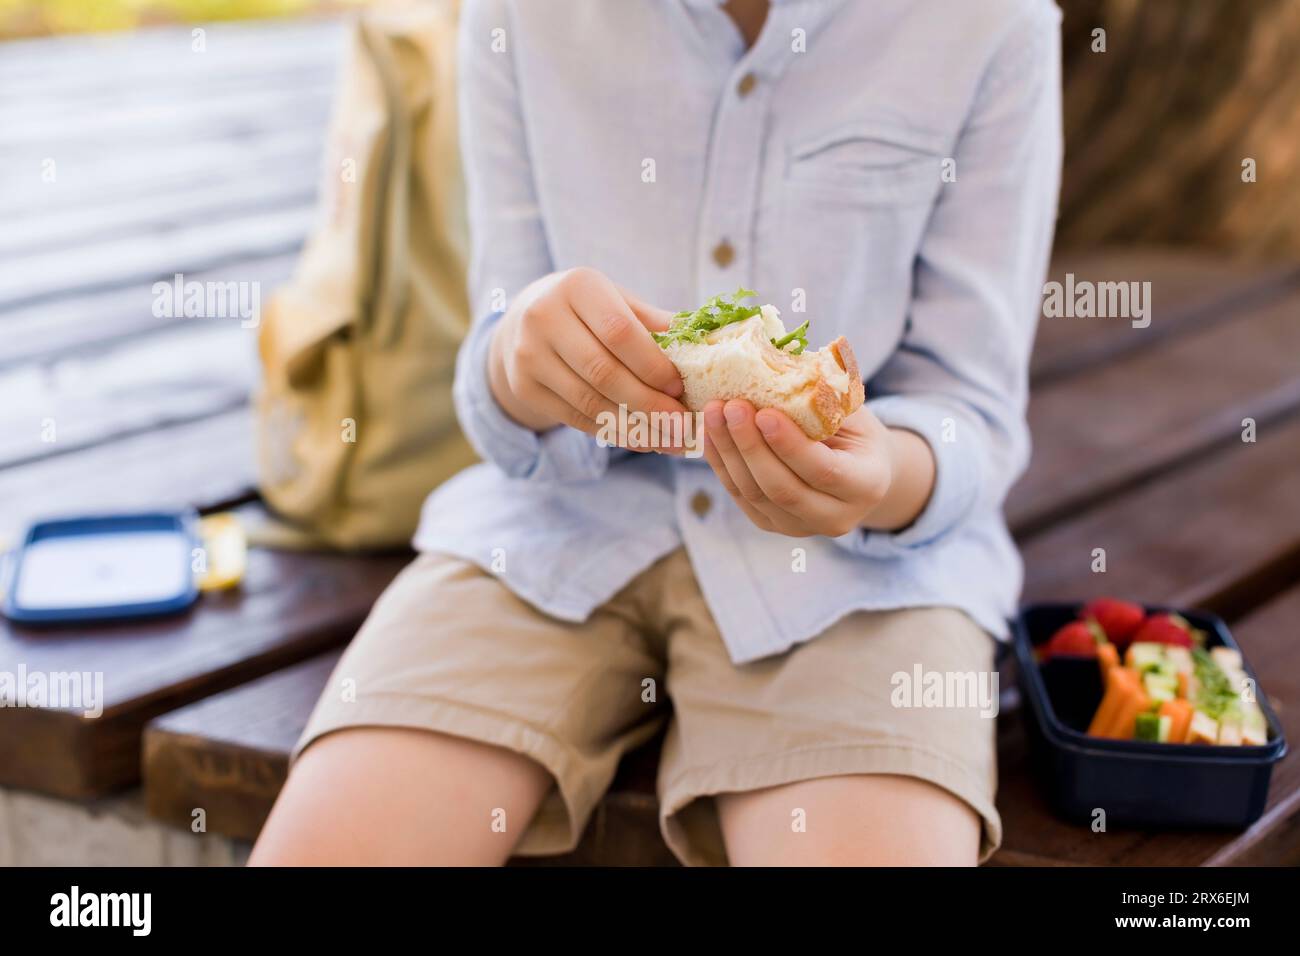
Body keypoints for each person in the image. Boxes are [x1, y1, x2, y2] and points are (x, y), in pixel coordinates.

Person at [251, 0, 1062, 866]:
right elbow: (497, 356)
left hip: (861, 577)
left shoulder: (993, 22)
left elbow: (967, 405)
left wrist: (879, 479)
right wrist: (519, 365)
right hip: (549, 534)